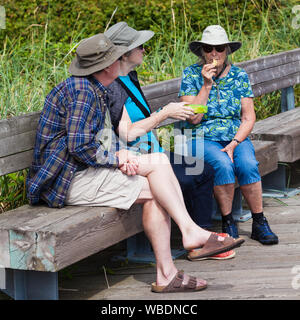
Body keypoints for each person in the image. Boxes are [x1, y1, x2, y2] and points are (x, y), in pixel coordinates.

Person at [26, 32, 244, 293]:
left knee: (158, 163)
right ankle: (177, 256)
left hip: (84, 170)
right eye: (116, 57)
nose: (121, 59)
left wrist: (124, 155)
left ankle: (179, 252)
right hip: (65, 181)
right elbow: (80, 146)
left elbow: (105, 136)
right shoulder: (82, 92)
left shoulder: (99, 88)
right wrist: (117, 159)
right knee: (156, 189)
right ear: (108, 66)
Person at [105, 21, 236, 260]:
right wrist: (165, 113)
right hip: (135, 159)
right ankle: (197, 239)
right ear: (124, 54)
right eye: (140, 46)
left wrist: (168, 111)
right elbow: (126, 133)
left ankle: (200, 237)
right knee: (189, 175)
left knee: (204, 170)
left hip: (152, 151)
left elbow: (144, 119)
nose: (145, 50)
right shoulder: (111, 86)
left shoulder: (129, 77)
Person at [179, 25, 278, 245]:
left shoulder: (239, 75)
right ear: (202, 51)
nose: (214, 54)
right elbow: (193, 118)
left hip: (235, 134)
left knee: (248, 164)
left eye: (220, 48)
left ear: (227, 51)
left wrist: (235, 143)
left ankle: (259, 222)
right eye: (209, 48)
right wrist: (206, 85)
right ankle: (227, 220)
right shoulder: (191, 75)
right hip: (201, 136)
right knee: (222, 164)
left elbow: (248, 118)